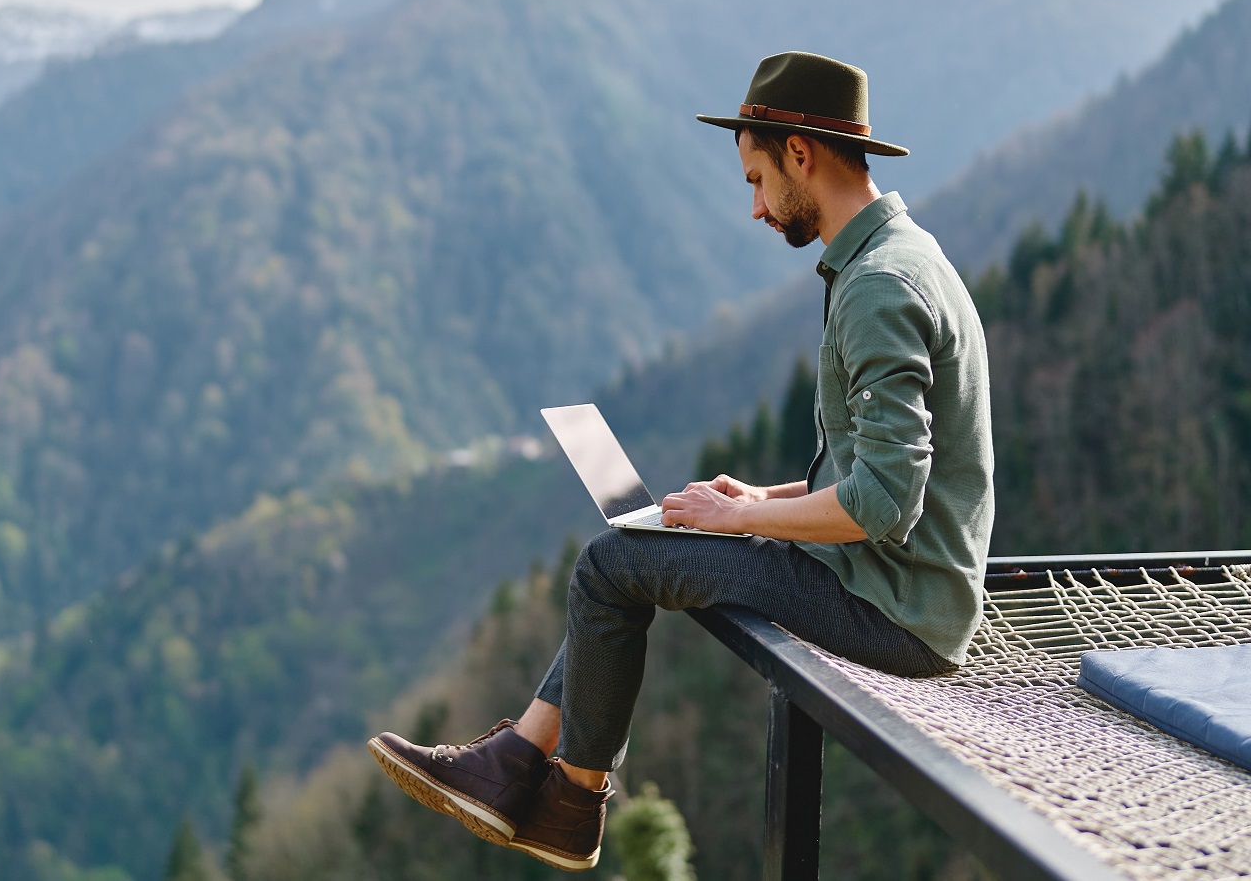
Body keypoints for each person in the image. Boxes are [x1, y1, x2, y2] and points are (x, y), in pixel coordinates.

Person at [366, 51, 995, 871]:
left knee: (610, 566)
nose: (758, 207)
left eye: (756, 181)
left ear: (799, 153)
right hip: (897, 586)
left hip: (894, 611)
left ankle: (568, 799)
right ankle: (523, 763)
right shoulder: (903, 257)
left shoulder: (879, 283)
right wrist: (759, 496)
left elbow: (883, 504)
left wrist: (741, 520)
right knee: (635, 550)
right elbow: (878, 467)